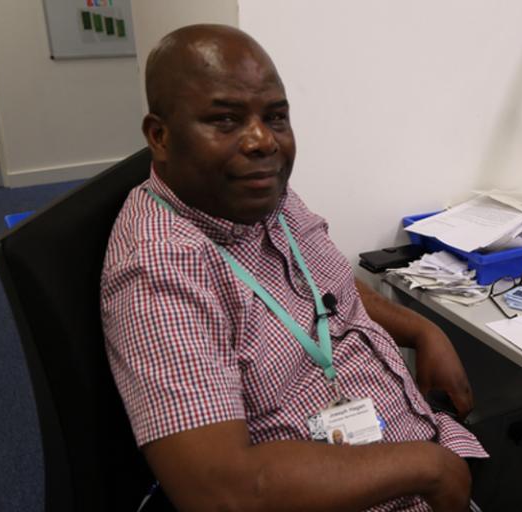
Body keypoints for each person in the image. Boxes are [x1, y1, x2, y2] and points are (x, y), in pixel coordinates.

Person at [101, 24, 487, 512]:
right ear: (159, 135)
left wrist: (423, 330)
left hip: (424, 448)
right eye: (226, 120)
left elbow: (330, 289)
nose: (263, 140)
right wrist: (427, 468)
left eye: (276, 116)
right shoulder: (159, 270)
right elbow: (221, 493)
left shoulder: (260, 192)